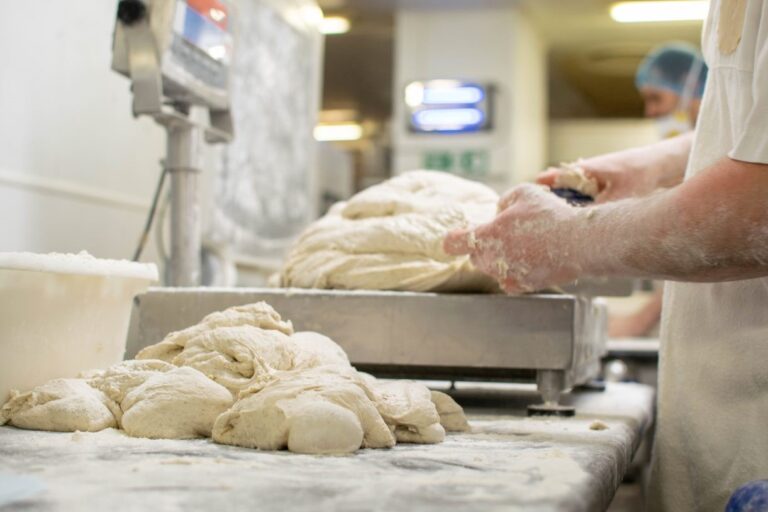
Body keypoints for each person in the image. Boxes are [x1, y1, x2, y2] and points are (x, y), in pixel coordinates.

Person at [444, 2, 768, 510]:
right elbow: (747, 127)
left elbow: (761, 206)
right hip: (723, 421)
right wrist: (645, 166)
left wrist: (568, 240)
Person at [611, 42, 708, 338]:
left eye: (657, 98)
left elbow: (703, 267)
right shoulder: (687, 164)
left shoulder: (718, 161)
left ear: (692, 90)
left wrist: (637, 322)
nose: (649, 112)